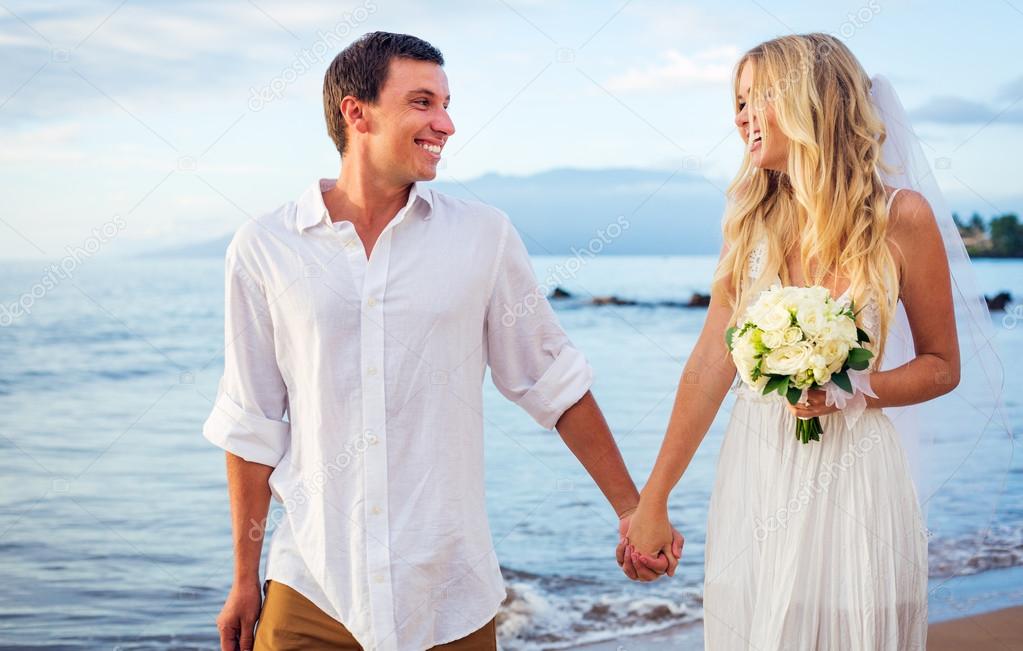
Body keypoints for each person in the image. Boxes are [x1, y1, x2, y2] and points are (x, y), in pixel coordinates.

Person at [202, 31, 681, 651]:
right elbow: (253, 422)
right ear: (357, 112)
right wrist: (244, 579)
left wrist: (633, 510)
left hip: (450, 594)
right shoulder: (265, 245)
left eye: (447, 103)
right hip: (313, 587)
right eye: (423, 102)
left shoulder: (482, 236)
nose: (447, 124)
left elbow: (551, 381)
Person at [621, 33, 963, 649]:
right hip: (757, 470)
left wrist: (851, 390)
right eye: (739, 100)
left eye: (758, 97)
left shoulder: (901, 218)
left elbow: (942, 367)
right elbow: (708, 364)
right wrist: (654, 498)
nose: (741, 115)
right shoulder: (748, 222)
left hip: (857, 472)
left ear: (811, 101)